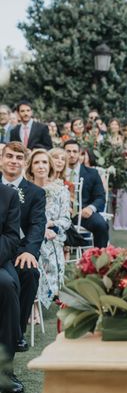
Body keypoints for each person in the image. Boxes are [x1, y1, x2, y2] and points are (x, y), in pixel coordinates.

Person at [1, 142, 46, 355]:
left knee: (29, 273)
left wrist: (30, 250)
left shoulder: (35, 193)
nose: (13, 161)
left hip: (20, 251)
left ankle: (16, 332)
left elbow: (37, 225)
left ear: (25, 163)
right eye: (9, 156)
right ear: (1, 159)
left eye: (19, 158)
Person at [25, 149, 70, 308]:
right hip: (29, 237)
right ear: (30, 167)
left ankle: (40, 299)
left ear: (50, 166)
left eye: (44, 162)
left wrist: (49, 224)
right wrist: (39, 229)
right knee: (34, 246)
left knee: (47, 245)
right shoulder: (24, 190)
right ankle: (33, 304)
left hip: (52, 237)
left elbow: (66, 220)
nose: (41, 166)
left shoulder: (60, 191)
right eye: (36, 162)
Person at [64, 140, 109, 247]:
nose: (72, 155)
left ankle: (100, 258)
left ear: (80, 154)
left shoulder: (92, 173)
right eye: (68, 151)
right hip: (62, 214)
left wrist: (91, 208)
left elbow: (100, 197)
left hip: (84, 213)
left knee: (101, 224)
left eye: (75, 151)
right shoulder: (57, 173)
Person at [0, 183, 22, 393]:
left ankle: (5, 370)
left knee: (7, 285)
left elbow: (11, 236)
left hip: (0, 258)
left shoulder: (9, 195)